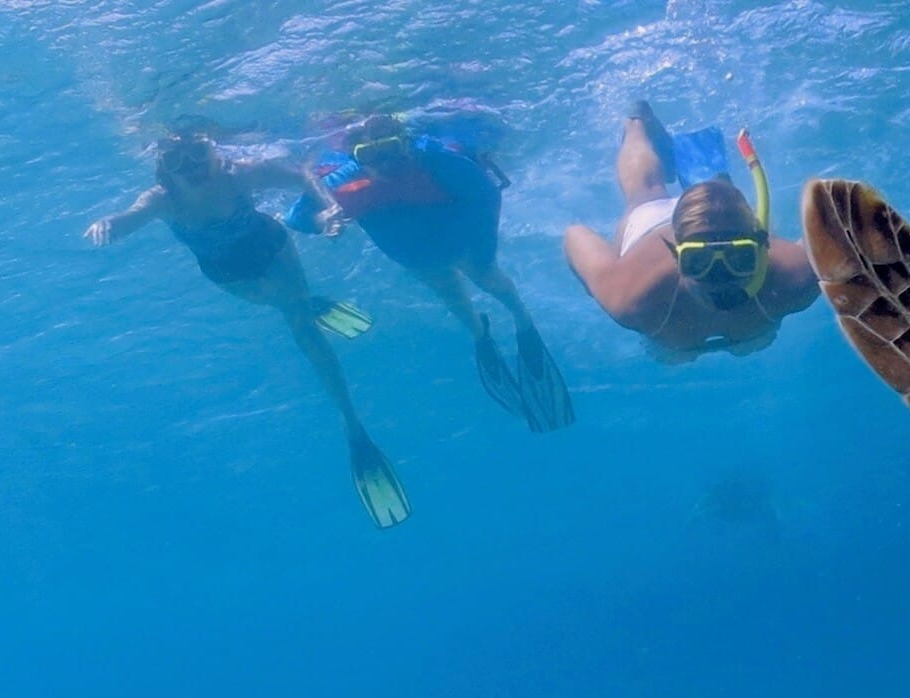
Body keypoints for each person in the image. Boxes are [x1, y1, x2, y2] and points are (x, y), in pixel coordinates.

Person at [85, 131, 410, 529]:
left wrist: (325, 211)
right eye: (178, 162)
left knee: (304, 332)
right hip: (230, 274)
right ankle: (302, 304)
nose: (192, 168)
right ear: (164, 169)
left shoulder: (239, 175)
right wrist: (109, 224)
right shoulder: (162, 199)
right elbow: (129, 217)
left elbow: (303, 176)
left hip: (271, 246)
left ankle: (352, 425)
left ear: (213, 152)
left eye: (197, 155)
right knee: (289, 307)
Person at [288, 111, 574, 431]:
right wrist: (323, 218)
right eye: (369, 155)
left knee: (488, 278)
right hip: (414, 255)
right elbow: (297, 218)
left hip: (458, 239)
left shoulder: (436, 160)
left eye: (391, 151)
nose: (383, 164)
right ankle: (480, 334)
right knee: (448, 291)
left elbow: (486, 195)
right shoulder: (342, 181)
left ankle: (522, 319)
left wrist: (482, 254)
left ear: (406, 145)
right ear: (354, 156)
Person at [561, 101, 819, 363]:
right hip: (657, 225)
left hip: (701, 251)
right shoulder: (631, 296)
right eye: (699, 262)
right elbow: (575, 236)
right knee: (645, 191)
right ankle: (637, 120)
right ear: (675, 255)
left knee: (650, 192)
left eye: (739, 259)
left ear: (762, 248)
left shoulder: (795, 277)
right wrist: (602, 283)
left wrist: (597, 284)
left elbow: (833, 227)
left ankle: (712, 184)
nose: (720, 279)